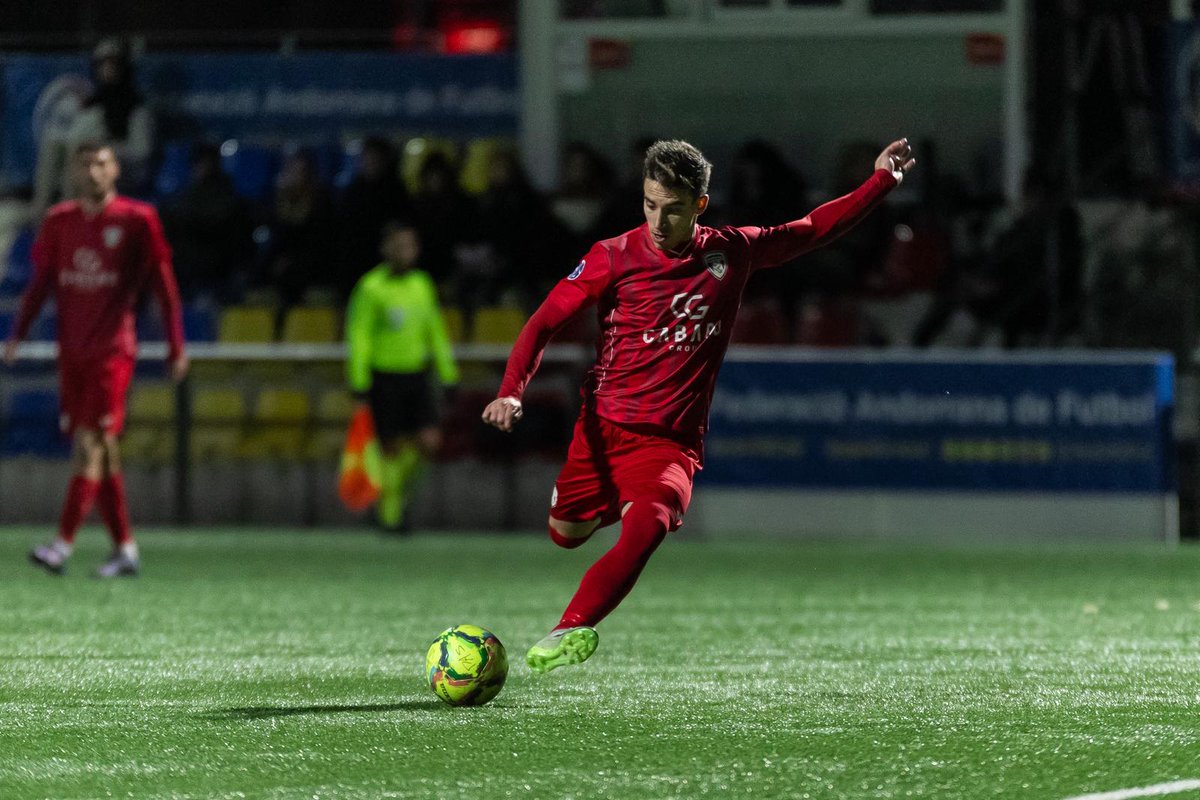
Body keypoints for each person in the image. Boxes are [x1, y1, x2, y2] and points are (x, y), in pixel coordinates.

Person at [482, 137, 914, 673]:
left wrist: (878, 184)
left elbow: (811, 230)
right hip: (602, 428)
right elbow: (544, 320)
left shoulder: (730, 252)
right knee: (565, 534)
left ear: (700, 206)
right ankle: (615, 502)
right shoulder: (611, 256)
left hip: (669, 443)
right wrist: (511, 389)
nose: (658, 221)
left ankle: (569, 627)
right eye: (649, 205)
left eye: (673, 209)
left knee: (648, 527)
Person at [3, 141, 187, 577]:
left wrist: (177, 345)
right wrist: (18, 334)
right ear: (72, 171)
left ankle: (61, 546)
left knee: (88, 445)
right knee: (103, 449)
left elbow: (165, 288)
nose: (92, 171)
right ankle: (125, 549)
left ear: (116, 169)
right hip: (72, 354)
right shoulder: (59, 221)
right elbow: (40, 283)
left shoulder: (138, 220)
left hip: (112, 352)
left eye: (101, 163)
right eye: (84, 164)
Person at [345, 220, 459, 532]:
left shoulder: (422, 284)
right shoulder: (371, 287)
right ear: (386, 249)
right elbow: (359, 335)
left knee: (429, 441)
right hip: (384, 376)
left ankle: (392, 496)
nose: (405, 252)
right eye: (399, 245)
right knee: (390, 446)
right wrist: (358, 381)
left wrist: (448, 373)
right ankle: (391, 513)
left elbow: (435, 331)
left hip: (417, 375)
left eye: (410, 245)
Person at [32, 39, 155, 221]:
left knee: (79, 158)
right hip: (92, 162)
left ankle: (70, 221)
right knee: (54, 145)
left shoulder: (136, 108)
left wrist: (106, 149)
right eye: (102, 65)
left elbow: (141, 153)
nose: (107, 70)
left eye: (112, 64)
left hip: (121, 170)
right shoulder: (94, 104)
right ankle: (40, 216)